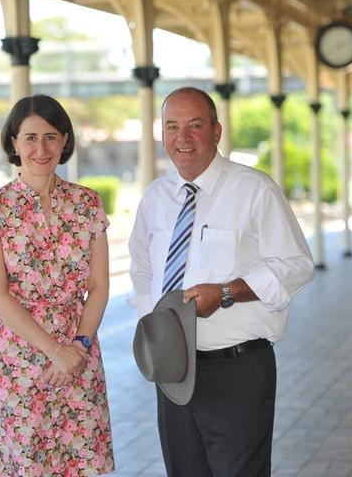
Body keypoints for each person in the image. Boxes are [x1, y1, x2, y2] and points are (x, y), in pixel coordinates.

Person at [128, 87, 315, 476]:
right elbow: (143, 270)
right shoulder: (155, 197)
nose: (183, 137)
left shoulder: (254, 189)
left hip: (238, 370)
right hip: (175, 373)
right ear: (162, 134)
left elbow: (296, 264)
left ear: (217, 131)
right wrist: (159, 333)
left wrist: (227, 292)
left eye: (195, 126)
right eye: (173, 126)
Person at [0, 94, 115, 476]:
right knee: (25, 464)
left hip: (79, 353)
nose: (41, 148)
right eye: (30, 137)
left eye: (51, 136)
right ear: (13, 143)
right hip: (18, 357)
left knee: (79, 461)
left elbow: (99, 285)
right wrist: (54, 351)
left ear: (65, 140)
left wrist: (78, 347)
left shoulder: (87, 204)